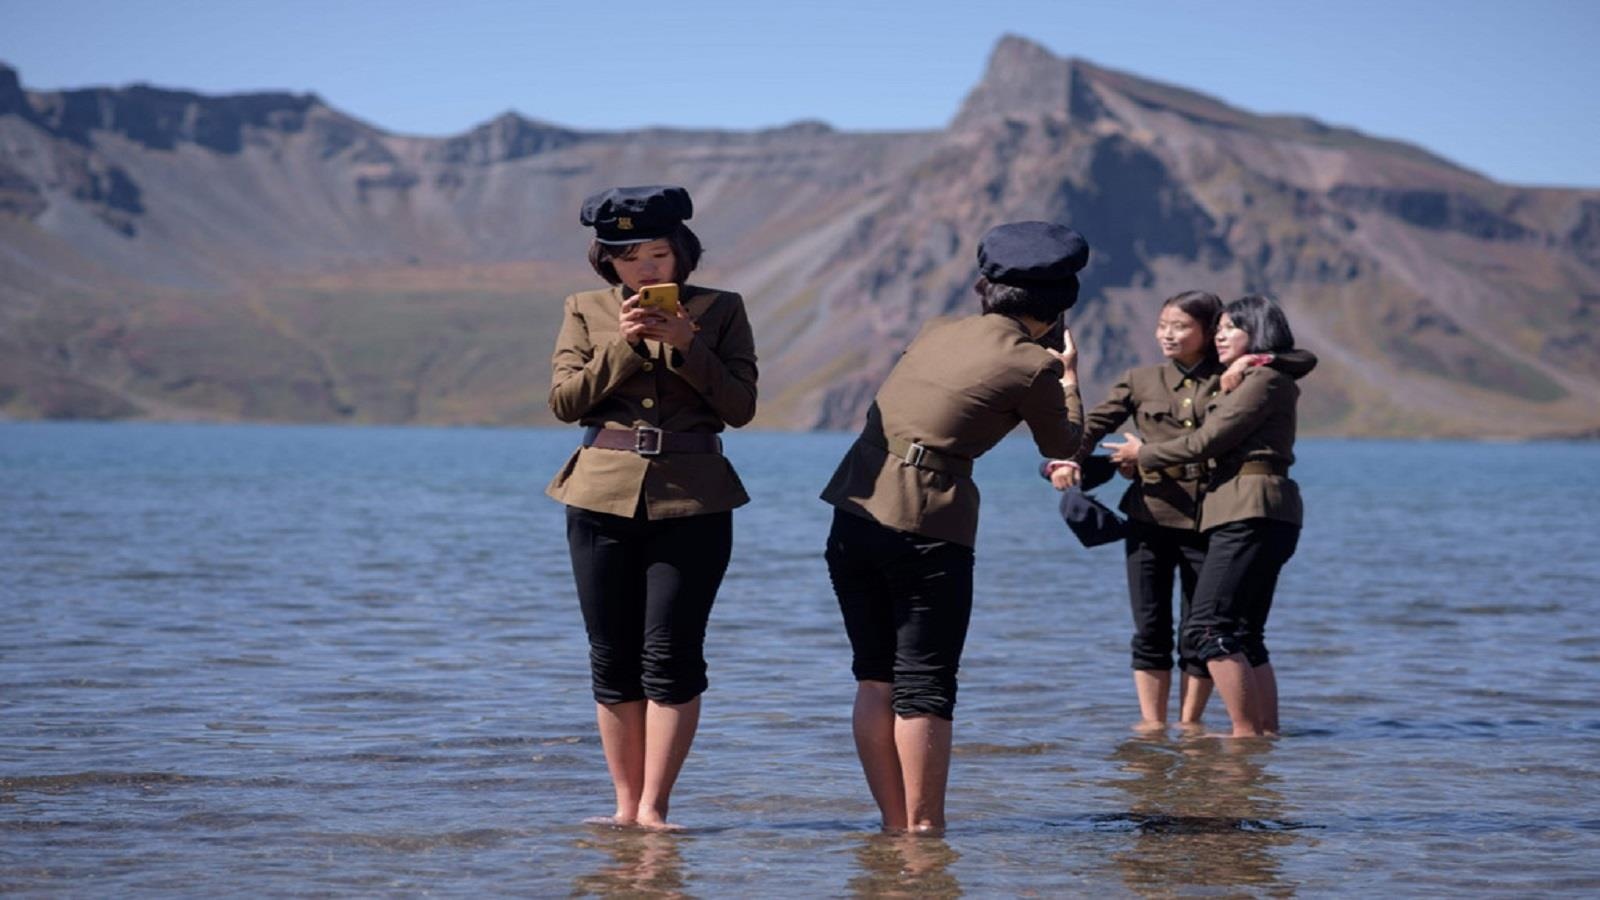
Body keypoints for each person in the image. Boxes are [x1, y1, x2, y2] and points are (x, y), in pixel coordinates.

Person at [821, 220, 1089, 833]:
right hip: (927, 523)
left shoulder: (935, 329)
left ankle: (894, 826)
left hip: (853, 511)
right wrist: (1069, 375)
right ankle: (924, 835)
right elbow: (1064, 443)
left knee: (874, 676)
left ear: (982, 287)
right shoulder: (1033, 366)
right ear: (1060, 308)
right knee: (925, 686)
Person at [546, 185, 758, 829]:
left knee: (671, 655)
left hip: (694, 499)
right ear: (606, 261)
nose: (645, 268)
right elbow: (565, 402)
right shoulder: (584, 309)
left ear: (681, 255)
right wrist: (626, 344)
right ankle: (621, 809)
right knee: (611, 655)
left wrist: (689, 345)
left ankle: (655, 809)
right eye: (628, 256)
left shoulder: (722, 310)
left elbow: (741, 408)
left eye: (658, 254)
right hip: (597, 495)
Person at [1042, 291, 1315, 731]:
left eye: (1182, 325)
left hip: (1211, 516)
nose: (1168, 334)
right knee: (1154, 627)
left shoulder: (1237, 375)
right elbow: (1095, 424)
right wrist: (1065, 457)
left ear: (1206, 333)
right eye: (1162, 324)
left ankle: (1194, 726)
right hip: (1151, 514)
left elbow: (1290, 364)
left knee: (1204, 628)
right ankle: (1157, 726)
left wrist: (1144, 453)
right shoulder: (1143, 378)